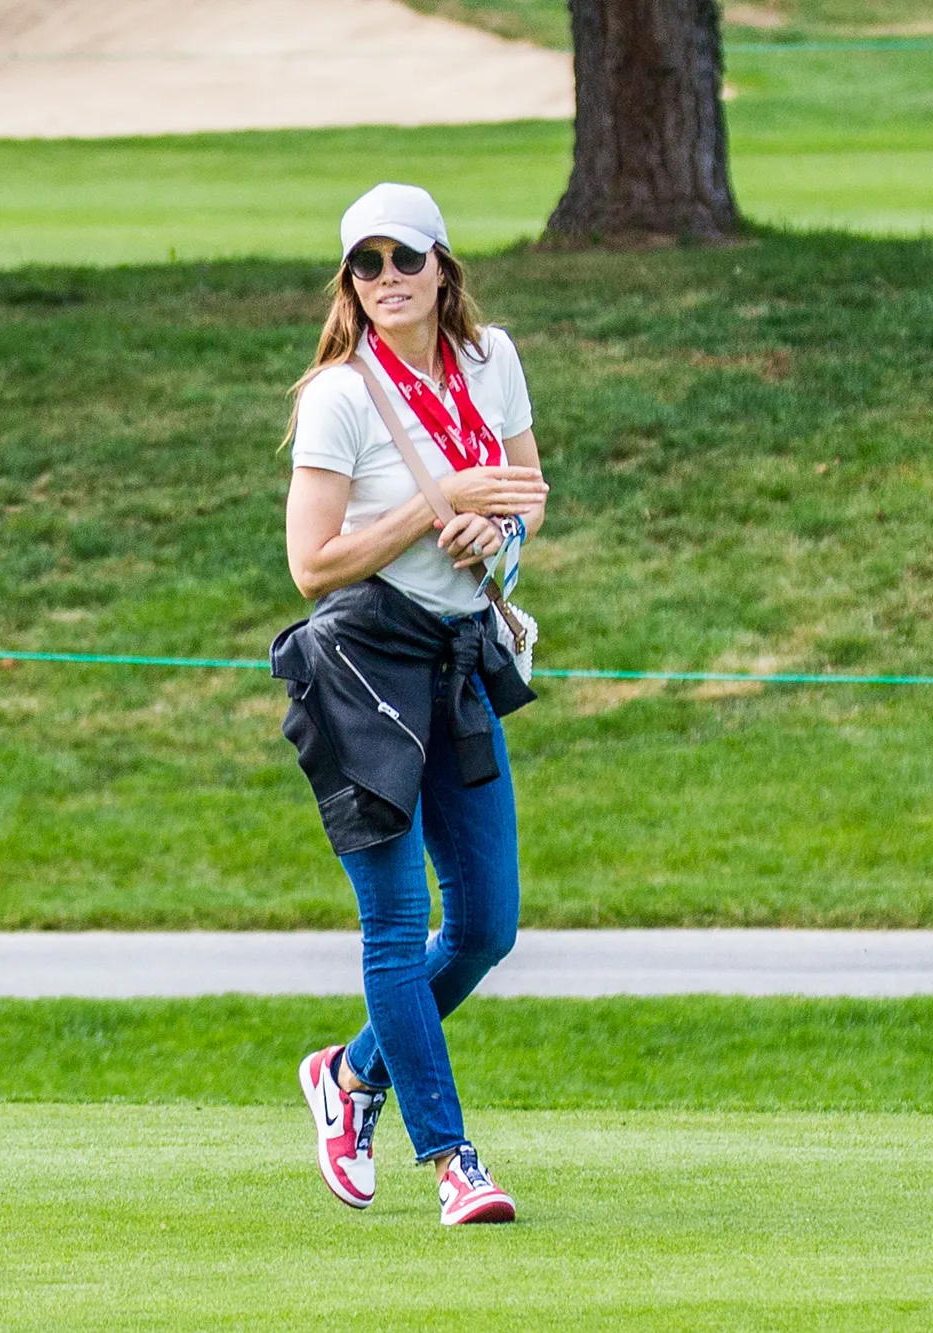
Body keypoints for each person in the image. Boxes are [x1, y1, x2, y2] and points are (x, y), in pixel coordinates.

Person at [274, 183, 550, 1226]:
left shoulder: (491, 360)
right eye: (365, 263)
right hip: (361, 671)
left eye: (404, 258)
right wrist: (437, 506)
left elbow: (525, 488)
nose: (386, 278)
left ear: (443, 266)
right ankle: (453, 1159)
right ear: (348, 282)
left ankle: (346, 1075)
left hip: (459, 657)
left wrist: (499, 536)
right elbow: (312, 563)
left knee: (483, 924)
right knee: (393, 923)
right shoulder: (338, 396)